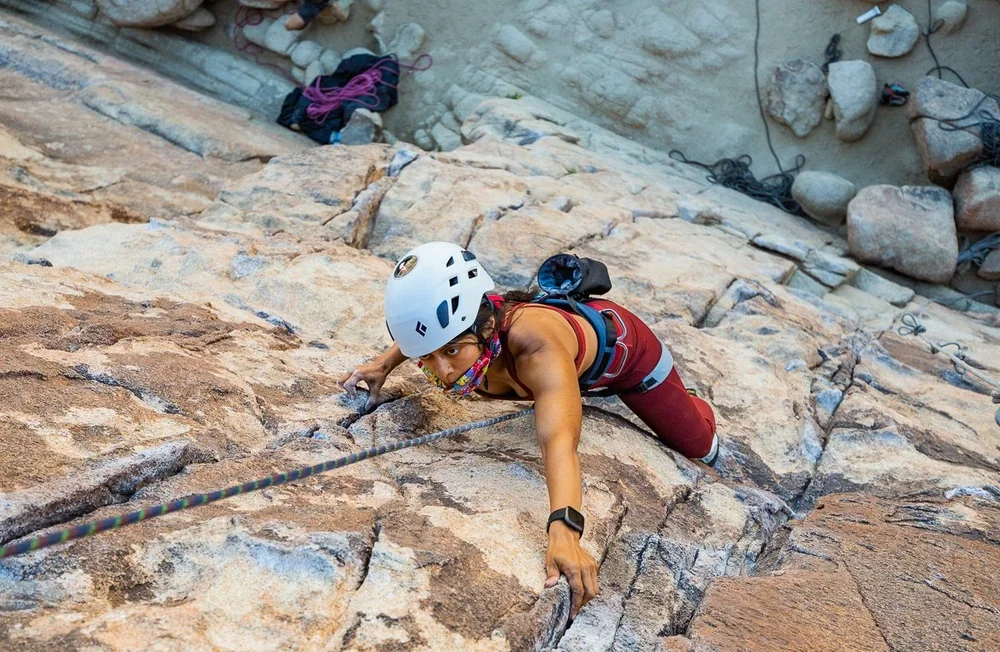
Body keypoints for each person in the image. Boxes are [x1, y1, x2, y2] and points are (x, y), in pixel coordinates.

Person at [339, 242, 719, 620]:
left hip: (630, 356)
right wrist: (382, 364)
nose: (444, 372)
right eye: (427, 357)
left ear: (487, 326)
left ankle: (686, 400)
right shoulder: (461, 331)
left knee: (701, 447)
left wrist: (565, 530)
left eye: (452, 351)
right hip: (557, 357)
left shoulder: (537, 348)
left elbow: (559, 441)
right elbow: (427, 332)